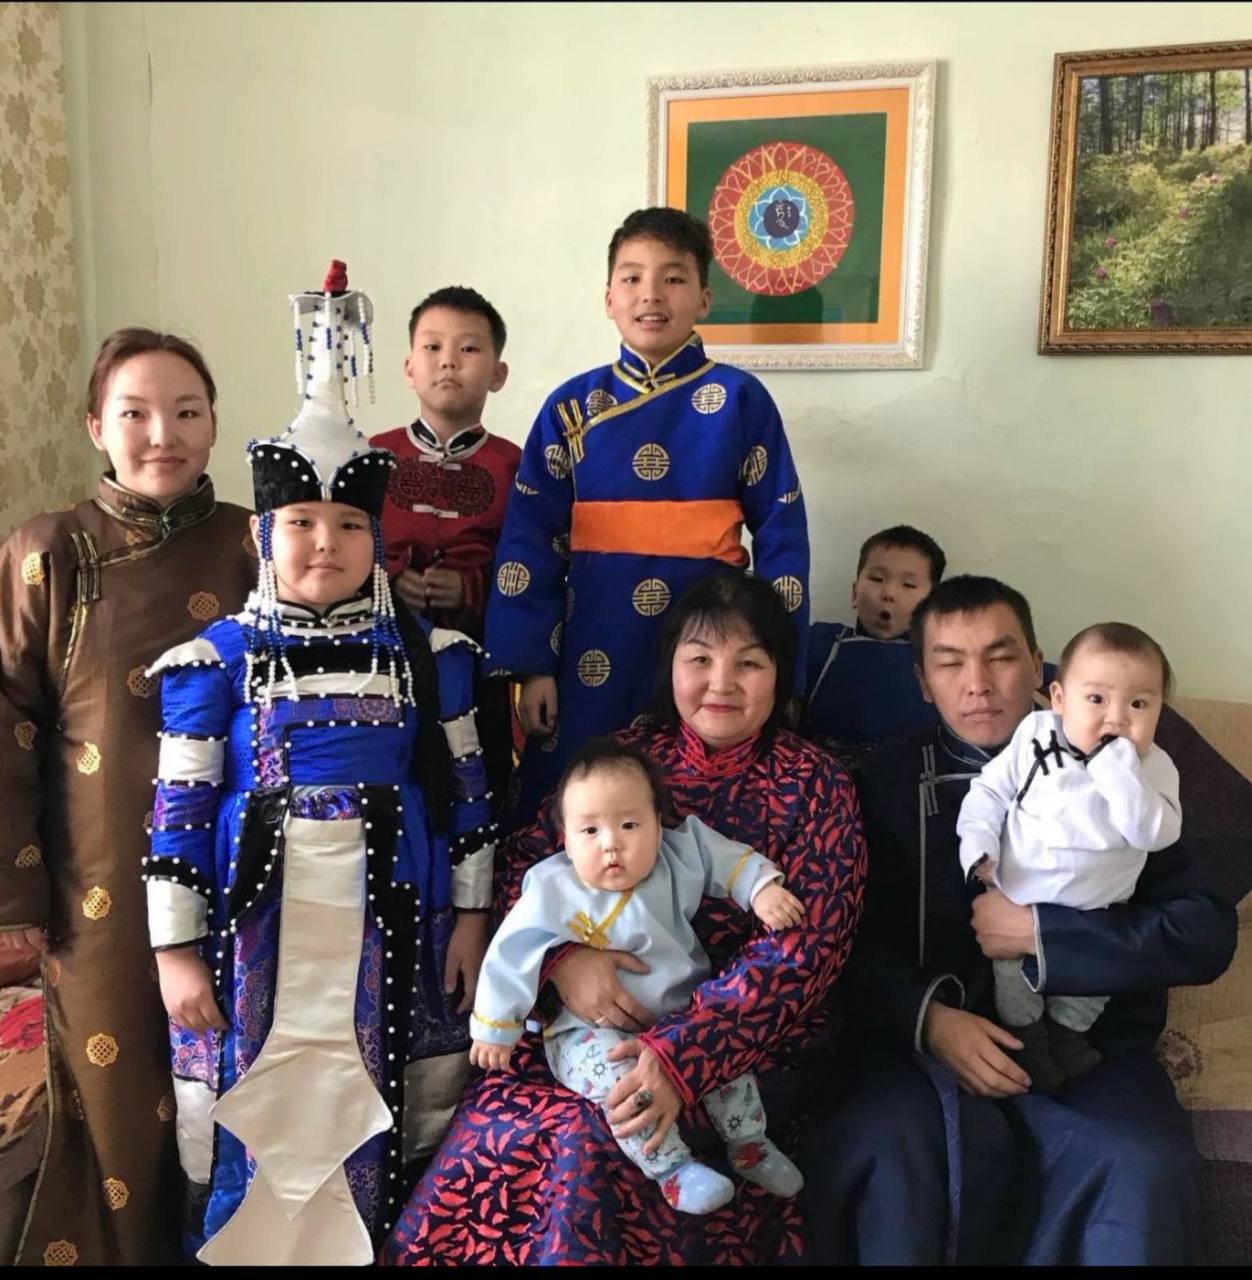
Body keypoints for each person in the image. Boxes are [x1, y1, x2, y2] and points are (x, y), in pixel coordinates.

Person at [142, 265, 496, 1265]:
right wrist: (174, 951)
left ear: (377, 538)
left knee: (379, 1106)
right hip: (253, 928)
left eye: (348, 525)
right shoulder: (214, 662)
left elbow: (469, 800)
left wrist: (472, 919)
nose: (324, 542)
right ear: (264, 532)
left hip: (395, 918)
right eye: (300, 523)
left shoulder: (433, 656)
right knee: (258, 1106)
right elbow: (177, 811)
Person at [384, 571, 865, 1264]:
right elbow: (526, 868)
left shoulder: (816, 784)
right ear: (670, 666)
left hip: (742, 1048)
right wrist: (561, 963)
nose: (721, 683)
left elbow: (805, 953)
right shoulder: (628, 757)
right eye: (699, 659)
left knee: (590, 1139)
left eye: (749, 663)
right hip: (583, 1029)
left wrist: (681, 1055)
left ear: (781, 674)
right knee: (503, 1120)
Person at [800, 575, 1237, 1265]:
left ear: (1040, 668)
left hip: (1088, 1053)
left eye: (1001, 657)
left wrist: (1043, 935)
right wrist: (929, 1019)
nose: (978, 684)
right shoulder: (879, 784)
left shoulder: (1131, 773)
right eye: (949, 663)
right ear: (921, 681)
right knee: (883, 1149)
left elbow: (1204, 932)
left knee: (1143, 1164)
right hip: (921, 1059)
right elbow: (843, 941)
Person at [0, 329, 254, 1265]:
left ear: (214, 423)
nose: (162, 435)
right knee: (116, 1098)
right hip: (97, 884)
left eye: (186, 412)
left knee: (236, 1088)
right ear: (95, 426)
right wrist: (16, 902)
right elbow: (8, 727)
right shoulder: (47, 552)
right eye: (136, 413)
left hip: (240, 873)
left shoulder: (257, 542)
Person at [483, 207, 810, 828]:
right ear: (609, 297)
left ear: (705, 298)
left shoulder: (740, 400)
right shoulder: (570, 406)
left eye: (673, 278)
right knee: (578, 799)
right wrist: (531, 665)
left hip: (707, 642)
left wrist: (781, 670)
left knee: (699, 808)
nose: (651, 294)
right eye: (632, 278)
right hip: (592, 634)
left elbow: (783, 535)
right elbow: (530, 541)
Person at [470, 737, 805, 1214]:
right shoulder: (551, 886)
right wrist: (494, 1027)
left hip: (680, 1018)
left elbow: (726, 858)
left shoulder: (678, 856)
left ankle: (750, 1144)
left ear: (658, 825)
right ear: (565, 838)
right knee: (622, 1083)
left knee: (726, 1067)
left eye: (629, 824)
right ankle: (672, 1170)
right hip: (587, 1033)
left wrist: (761, 888)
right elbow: (511, 953)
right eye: (589, 830)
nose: (611, 843)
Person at [958, 622, 1181, 1091]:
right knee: (1014, 982)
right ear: (1059, 699)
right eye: (1096, 699)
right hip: (1018, 900)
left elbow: (1154, 834)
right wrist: (978, 847)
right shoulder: (1035, 734)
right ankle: (1028, 1039)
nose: (1116, 719)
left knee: (1091, 991)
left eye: (1139, 704)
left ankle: (1066, 1035)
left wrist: (1117, 771)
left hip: (1096, 922)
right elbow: (989, 792)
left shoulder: (1155, 767)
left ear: (1160, 710)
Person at [370, 285, 519, 641]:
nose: (449, 361)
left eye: (468, 349)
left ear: (498, 374)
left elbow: (530, 562)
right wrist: (389, 578)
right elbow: (342, 545)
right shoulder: (372, 456)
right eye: (432, 347)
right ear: (409, 369)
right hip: (379, 646)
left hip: (479, 650)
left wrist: (470, 588)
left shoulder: (515, 466)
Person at [804, 523, 943, 768]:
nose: (888, 593)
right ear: (854, 593)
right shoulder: (820, 644)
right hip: (821, 784)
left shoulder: (944, 663)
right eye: (877, 579)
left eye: (908, 585)